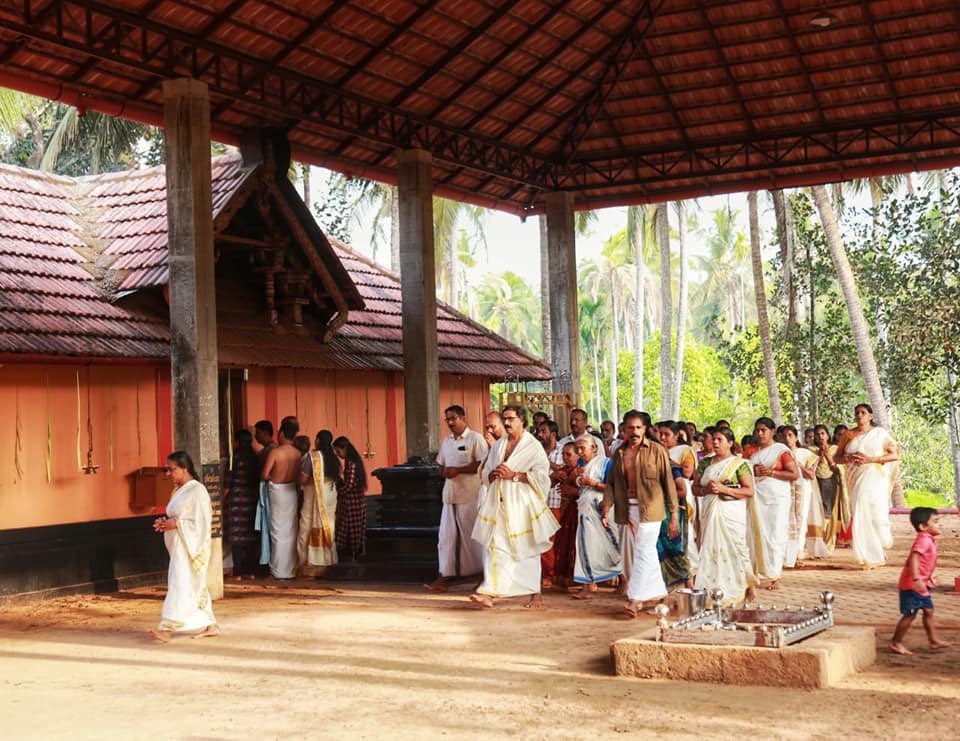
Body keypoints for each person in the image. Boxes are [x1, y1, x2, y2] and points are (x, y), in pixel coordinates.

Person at [470, 405, 558, 609]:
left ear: (522, 421)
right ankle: (489, 593)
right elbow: (486, 472)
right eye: (505, 418)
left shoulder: (532, 446)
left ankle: (535, 595)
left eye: (511, 418)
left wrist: (515, 475)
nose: (507, 422)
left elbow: (543, 478)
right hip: (498, 504)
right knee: (495, 546)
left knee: (527, 549)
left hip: (522, 506)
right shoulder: (499, 445)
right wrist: (491, 476)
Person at [603, 410, 678, 618]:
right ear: (624, 430)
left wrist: (673, 515)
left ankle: (635, 599)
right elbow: (611, 483)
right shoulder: (618, 452)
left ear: (645, 429)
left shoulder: (656, 450)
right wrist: (606, 506)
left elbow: (668, 483)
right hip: (627, 508)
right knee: (646, 553)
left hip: (652, 509)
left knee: (644, 549)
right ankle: (662, 594)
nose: (634, 431)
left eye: (638, 427)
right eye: (630, 427)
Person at [150, 451, 219, 643]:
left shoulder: (197, 491)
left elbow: (201, 522)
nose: (168, 474)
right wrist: (166, 522)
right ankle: (209, 624)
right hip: (180, 546)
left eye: (171, 470)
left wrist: (177, 524)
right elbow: (180, 515)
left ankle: (167, 628)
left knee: (180, 583)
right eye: (167, 470)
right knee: (193, 585)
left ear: (184, 468)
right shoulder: (180, 490)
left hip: (191, 548)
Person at [425, 405, 488, 592]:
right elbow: (440, 464)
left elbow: (482, 464)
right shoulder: (446, 442)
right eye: (448, 419)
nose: (450, 423)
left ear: (462, 418)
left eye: (453, 418)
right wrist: (444, 471)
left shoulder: (475, 439)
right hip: (450, 497)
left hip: (471, 496)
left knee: (474, 538)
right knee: (446, 538)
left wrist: (459, 470)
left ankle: (483, 576)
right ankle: (444, 577)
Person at [692, 428, 757, 605]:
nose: (715, 443)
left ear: (730, 443)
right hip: (710, 509)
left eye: (720, 439)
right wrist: (706, 490)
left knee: (736, 547)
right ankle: (711, 591)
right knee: (711, 549)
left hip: (731, 511)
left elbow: (749, 490)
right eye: (713, 439)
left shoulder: (739, 464)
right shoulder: (705, 463)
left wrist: (724, 489)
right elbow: (695, 488)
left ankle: (745, 587)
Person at [836, 403, 900, 568]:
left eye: (863, 412)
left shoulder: (880, 434)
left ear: (870, 416)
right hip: (856, 478)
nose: (859, 415)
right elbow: (837, 458)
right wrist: (849, 458)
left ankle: (878, 548)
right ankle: (868, 556)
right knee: (860, 512)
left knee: (876, 515)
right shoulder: (848, 435)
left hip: (875, 477)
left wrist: (870, 459)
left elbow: (893, 456)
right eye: (857, 413)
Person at [890, 508, 953, 655]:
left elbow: (925, 561)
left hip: (921, 584)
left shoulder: (928, 539)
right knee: (910, 614)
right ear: (923, 527)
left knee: (928, 610)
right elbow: (914, 558)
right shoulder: (924, 540)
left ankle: (933, 640)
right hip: (913, 585)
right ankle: (896, 642)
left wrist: (929, 576)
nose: (939, 525)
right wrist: (916, 578)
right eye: (936, 522)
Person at [748, 417, 799, 590]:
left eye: (763, 430)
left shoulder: (781, 451)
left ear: (772, 432)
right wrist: (753, 471)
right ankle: (758, 572)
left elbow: (794, 474)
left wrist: (770, 472)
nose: (760, 433)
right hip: (757, 497)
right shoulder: (751, 452)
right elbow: (743, 472)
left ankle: (776, 575)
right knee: (758, 533)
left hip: (777, 498)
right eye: (757, 430)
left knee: (775, 534)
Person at [572, 434, 620, 597]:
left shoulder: (606, 463)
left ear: (594, 448)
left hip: (602, 509)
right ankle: (589, 584)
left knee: (612, 547)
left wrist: (592, 483)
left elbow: (613, 487)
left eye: (582, 447)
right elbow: (578, 484)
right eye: (577, 448)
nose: (579, 451)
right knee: (586, 546)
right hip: (586, 511)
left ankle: (625, 581)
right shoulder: (580, 463)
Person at [781, 425, 829, 565]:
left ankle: (798, 551)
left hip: (802, 488)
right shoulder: (780, 453)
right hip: (785, 489)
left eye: (790, 435)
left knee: (800, 518)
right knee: (786, 519)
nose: (787, 438)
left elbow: (811, 474)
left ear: (796, 437)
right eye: (784, 436)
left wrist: (797, 464)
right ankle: (785, 552)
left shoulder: (806, 454)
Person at [261, 417, 302, 579]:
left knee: (277, 530)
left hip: (277, 490)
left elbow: (264, 474)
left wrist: (272, 477)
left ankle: (278, 570)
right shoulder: (297, 453)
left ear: (283, 434)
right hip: (291, 490)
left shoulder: (276, 452)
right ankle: (291, 569)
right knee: (291, 529)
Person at [297, 430, 340, 575]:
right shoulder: (335, 458)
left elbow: (303, 479)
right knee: (329, 525)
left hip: (314, 496)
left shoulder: (314, 457)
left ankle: (311, 564)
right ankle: (328, 561)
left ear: (318, 441)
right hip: (330, 496)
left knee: (306, 526)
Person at [657, 421, 695, 587]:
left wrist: (661, 496)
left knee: (678, 546)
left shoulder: (675, 461)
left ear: (676, 435)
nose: (662, 438)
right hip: (659, 509)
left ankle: (689, 586)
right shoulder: (658, 459)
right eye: (660, 434)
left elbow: (684, 483)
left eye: (666, 434)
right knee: (663, 549)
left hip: (675, 506)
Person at [223, 429, 260, 581]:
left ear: (237, 441)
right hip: (251, 498)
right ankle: (250, 571)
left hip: (236, 499)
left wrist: (221, 499)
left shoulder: (234, 458)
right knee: (250, 535)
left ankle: (237, 572)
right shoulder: (254, 457)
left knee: (237, 536)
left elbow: (227, 482)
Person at [537, 419, 564, 588]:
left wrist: (548, 463)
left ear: (553, 434)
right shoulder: (535, 450)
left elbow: (566, 471)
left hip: (558, 501)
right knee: (543, 540)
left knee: (556, 541)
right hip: (539, 501)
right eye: (539, 431)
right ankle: (546, 574)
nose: (540, 435)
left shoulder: (563, 450)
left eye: (543, 431)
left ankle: (554, 575)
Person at [550, 441, 581, 589]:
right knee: (563, 542)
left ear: (578, 455)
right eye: (563, 454)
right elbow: (546, 484)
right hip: (565, 512)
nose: (565, 457)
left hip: (579, 512)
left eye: (568, 454)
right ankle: (565, 577)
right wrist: (554, 477)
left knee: (576, 543)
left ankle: (581, 580)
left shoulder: (582, 471)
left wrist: (574, 491)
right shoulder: (564, 470)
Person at [334, 436, 368, 561]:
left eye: (338, 451)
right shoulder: (354, 461)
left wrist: (339, 491)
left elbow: (349, 484)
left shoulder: (351, 463)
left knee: (349, 529)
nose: (338, 455)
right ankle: (356, 553)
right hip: (357, 500)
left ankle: (352, 554)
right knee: (356, 528)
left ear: (345, 448)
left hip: (352, 501)